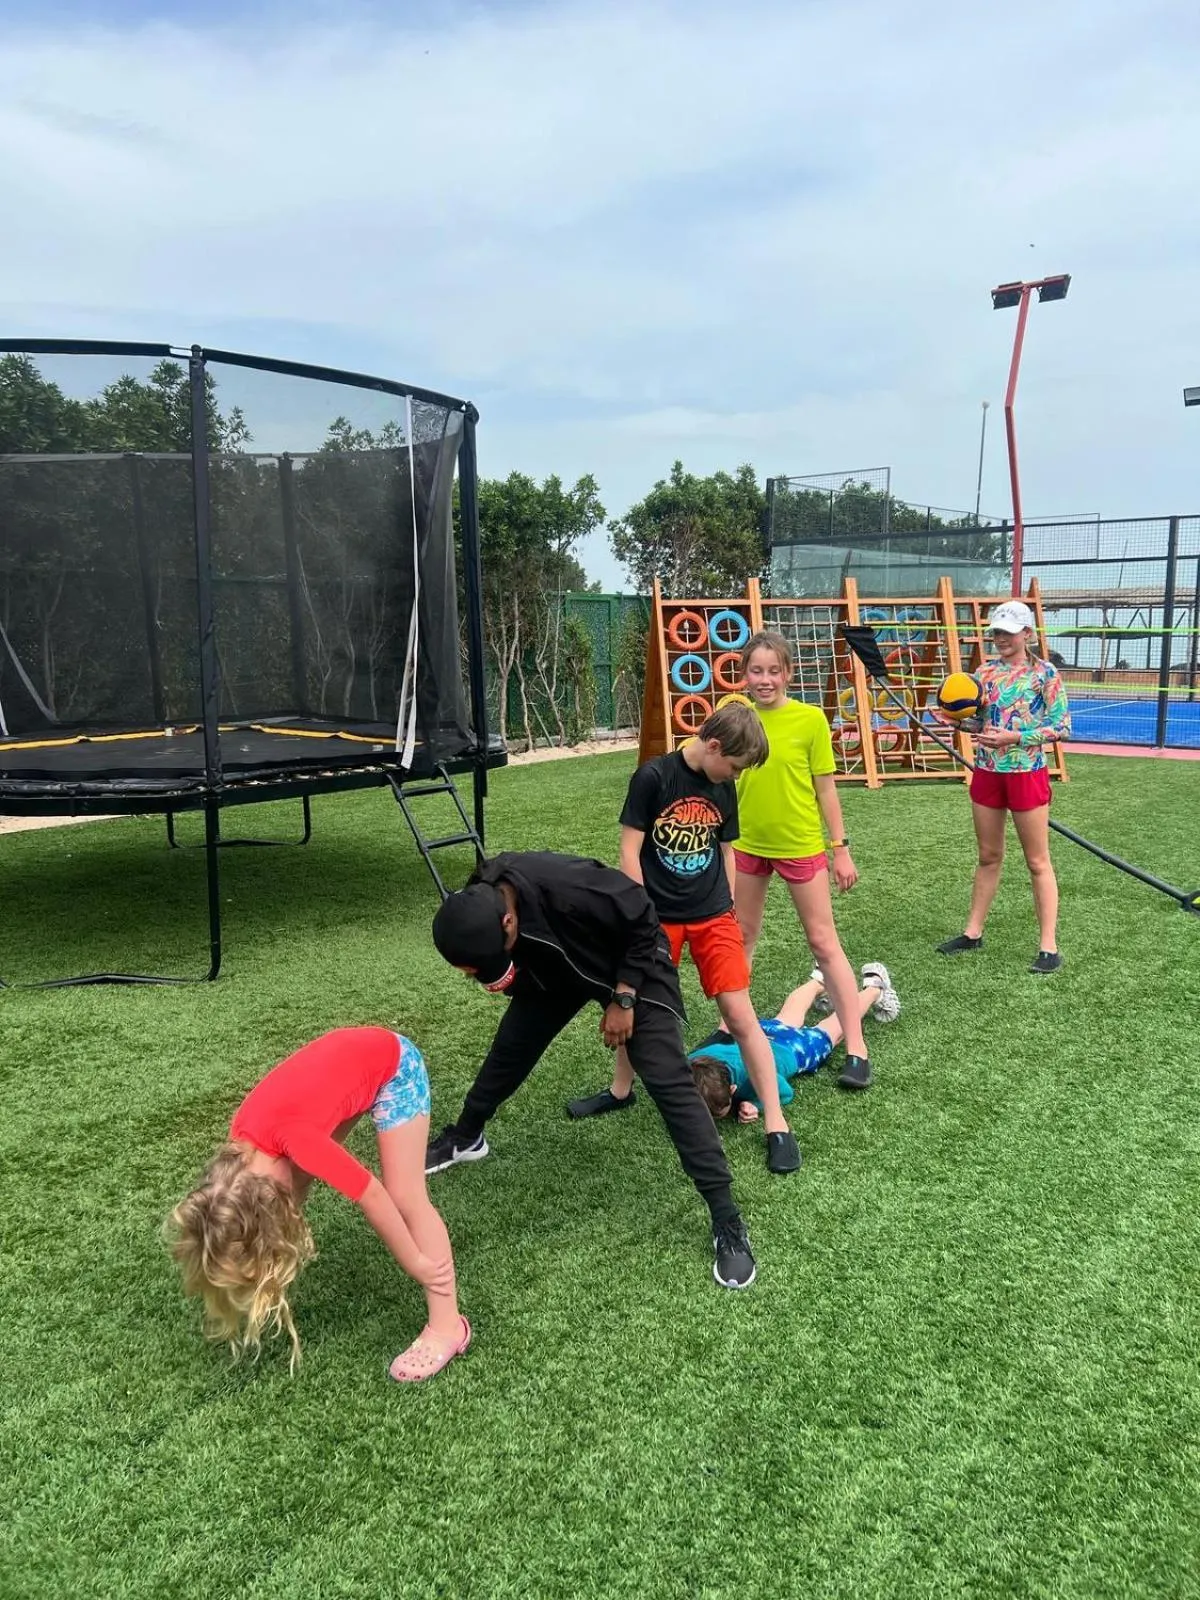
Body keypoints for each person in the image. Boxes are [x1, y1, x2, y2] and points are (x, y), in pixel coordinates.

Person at [428, 851, 758, 1289]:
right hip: (559, 968)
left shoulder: (569, 887)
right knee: (510, 1049)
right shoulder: (483, 893)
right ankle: (467, 1135)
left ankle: (727, 1221)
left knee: (668, 1080)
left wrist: (623, 999)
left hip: (632, 963)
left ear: (508, 922)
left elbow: (644, 918)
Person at [565, 703, 801, 1176]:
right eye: (733, 766)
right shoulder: (653, 778)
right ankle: (619, 1092)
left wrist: (730, 909)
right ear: (713, 746)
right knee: (645, 1012)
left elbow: (725, 848)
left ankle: (777, 1122)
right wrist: (640, 918)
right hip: (658, 920)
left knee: (740, 1014)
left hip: (713, 915)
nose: (732, 777)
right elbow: (629, 851)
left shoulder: (723, 784)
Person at [167, 1028, 467, 1382]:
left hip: (397, 1067)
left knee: (405, 1197)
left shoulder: (295, 1140)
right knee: (297, 1177)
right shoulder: (241, 1152)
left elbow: (372, 1196)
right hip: (353, 1064)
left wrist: (416, 1263)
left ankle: (448, 1325)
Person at [731, 630, 875, 1090]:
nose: (765, 679)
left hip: (799, 846)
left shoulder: (810, 720)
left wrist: (841, 849)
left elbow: (825, 789)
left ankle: (856, 1044)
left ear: (788, 673)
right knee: (741, 936)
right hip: (746, 845)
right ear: (745, 674)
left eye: (774, 671)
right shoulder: (735, 716)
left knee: (823, 941)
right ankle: (733, 1024)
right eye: (757, 670)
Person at [936, 599, 1072, 973]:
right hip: (988, 772)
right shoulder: (983, 673)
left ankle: (1048, 946)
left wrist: (1016, 738)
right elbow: (979, 726)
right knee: (988, 855)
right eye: (997, 632)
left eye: (1009, 633)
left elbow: (1061, 727)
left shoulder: (1045, 674)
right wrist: (955, 722)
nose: (1001, 639)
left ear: (1027, 634)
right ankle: (972, 932)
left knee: (1037, 860)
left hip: (1027, 772)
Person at [689, 963, 900, 1122]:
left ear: (734, 1089)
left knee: (833, 1029)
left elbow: (784, 1091)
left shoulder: (751, 1080)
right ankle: (819, 979)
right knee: (787, 1017)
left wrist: (755, 1104)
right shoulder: (693, 1061)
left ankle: (875, 988)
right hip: (759, 1033)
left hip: (795, 1050)